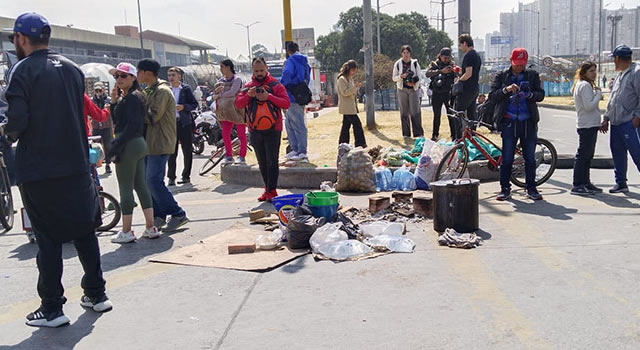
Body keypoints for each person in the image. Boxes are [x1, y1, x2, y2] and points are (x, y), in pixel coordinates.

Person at [4, 13, 112, 328]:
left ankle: (52, 308)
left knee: (48, 238)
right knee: (84, 230)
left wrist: (7, 132)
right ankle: (96, 294)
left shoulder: (22, 70)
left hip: (41, 170)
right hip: (77, 165)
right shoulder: (72, 68)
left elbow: (17, 123)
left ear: (22, 39)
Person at [107, 62, 158, 243]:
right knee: (140, 185)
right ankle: (150, 227)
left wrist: (115, 146)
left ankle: (127, 230)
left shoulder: (131, 99)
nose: (119, 79)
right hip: (137, 144)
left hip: (128, 144)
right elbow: (122, 121)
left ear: (132, 78)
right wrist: (114, 102)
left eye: (123, 76)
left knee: (126, 187)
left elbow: (128, 126)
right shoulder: (134, 97)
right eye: (116, 76)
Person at [136, 59, 189, 232]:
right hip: (147, 143)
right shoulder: (149, 90)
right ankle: (159, 215)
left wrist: (135, 107)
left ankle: (178, 213)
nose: (137, 75)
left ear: (147, 73)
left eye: (139, 72)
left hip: (159, 143)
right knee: (147, 181)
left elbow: (152, 116)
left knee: (153, 180)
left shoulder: (162, 92)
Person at [489, 48, 545, 201]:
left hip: (528, 122)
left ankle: (531, 187)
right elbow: (492, 96)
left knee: (530, 158)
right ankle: (505, 189)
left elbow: (541, 95)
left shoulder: (532, 75)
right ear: (511, 61)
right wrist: (506, 90)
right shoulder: (502, 76)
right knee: (507, 158)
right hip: (509, 121)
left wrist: (530, 95)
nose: (519, 67)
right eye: (516, 64)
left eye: (522, 64)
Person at [235, 57, 290, 202]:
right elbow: (239, 104)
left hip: (274, 129)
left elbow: (286, 103)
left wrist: (269, 97)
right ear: (252, 70)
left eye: (261, 70)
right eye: (256, 70)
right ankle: (267, 189)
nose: (259, 73)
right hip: (255, 130)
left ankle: (272, 190)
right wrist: (249, 95)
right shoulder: (248, 86)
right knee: (262, 162)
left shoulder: (275, 85)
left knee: (272, 161)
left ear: (267, 69)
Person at [601, 44, 640, 194]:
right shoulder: (621, 74)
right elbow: (613, 99)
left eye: (614, 59)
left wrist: (637, 117)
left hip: (630, 123)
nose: (613, 62)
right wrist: (606, 118)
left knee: (637, 154)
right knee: (617, 153)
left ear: (618, 58)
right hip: (616, 123)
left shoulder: (636, 72)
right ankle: (621, 183)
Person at [571, 61, 605, 195]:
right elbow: (589, 106)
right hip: (587, 125)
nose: (594, 74)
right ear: (584, 72)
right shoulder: (584, 85)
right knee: (583, 155)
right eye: (591, 71)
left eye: (595, 71)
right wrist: (598, 95)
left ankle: (586, 182)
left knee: (587, 155)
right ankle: (578, 184)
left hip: (590, 124)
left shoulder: (585, 85)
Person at [166, 67, 198, 186]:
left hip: (184, 122)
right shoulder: (166, 90)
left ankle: (186, 175)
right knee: (171, 151)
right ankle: (171, 176)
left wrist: (184, 107)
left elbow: (194, 104)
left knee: (187, 150)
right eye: (169, 75)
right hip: (171, 123)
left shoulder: (185, 89)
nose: (171, 77)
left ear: (179, 76)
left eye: (173, 75)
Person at [281, 41, 311, 162]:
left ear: (288, 51)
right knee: (289, 123)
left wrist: (282, 86)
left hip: (291, 95)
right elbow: (307, 77)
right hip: (301, 93)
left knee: (297, 124)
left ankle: (301, 151)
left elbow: (287, 74)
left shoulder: (291, 61)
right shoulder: (304, 62)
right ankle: (295, 149)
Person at [213, 59, 247, 165]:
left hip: (236, 110)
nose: (221, 69)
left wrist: (219, 95)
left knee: (241, 134)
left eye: (222, 67)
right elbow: (215, 92)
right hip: (224, 111)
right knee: (225, 134)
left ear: (228, 67)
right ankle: (229, 155)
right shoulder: (221, 80)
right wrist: (216, 94)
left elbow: (233, 92)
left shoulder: (237, 80)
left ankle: (242, 156)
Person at [392, 45, 424, 138]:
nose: (406, 55)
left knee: (415, 111)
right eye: (404, 53)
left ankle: (418, 133)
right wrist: (401, 77)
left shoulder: (415, 63)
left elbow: (419, 77)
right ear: (401, 53)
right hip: (402, 89)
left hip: (413, 90)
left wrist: (414, 83)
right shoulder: (398, 64)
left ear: (410, 54)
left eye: (407, 53)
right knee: (404, 111)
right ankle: (406, 133)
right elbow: (394, 78)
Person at [455, 34, 482, 140]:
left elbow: (468, 74)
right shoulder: (476, 55)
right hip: (474, 87)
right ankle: (473, 137)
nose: (460, 48)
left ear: (465, 43)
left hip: (467, 89)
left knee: (458, 112)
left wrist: (459, 81)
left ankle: (459, 138)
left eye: (460, 45)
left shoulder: (468, 55)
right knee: (471, 114)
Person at [426, 47, 456, 141]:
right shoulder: (434, 64)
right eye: (445, 57)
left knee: (451, 115)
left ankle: (454, 135)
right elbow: (428, 73)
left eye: (448, 57)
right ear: (440, 56)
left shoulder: (452, 65)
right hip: (436, 93)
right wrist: (440, 71)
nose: (446, 59)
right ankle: (435, 135)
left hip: (448, 92)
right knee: (437, 115)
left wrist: (454, 71)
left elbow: (458, 75)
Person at [337, 60, 366, 148]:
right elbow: (344, 92)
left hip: (350, 106)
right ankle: (360, 143)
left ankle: (343, 143)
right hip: (347, 106)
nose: (354, 73)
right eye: (353, 70)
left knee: (346, 126)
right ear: (348, 69)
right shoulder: (342, 79)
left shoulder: (349, 78)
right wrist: (355, 87)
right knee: (357, 124)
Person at [91, 82, 113, 173]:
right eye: (96, 90)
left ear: (103, 90)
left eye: (100, 90)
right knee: (95, 146)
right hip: (96, 126)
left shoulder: (108, 100)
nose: (98, 92)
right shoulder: (92, 100)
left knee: (108, 146)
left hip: (106, 126)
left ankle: (108, 164)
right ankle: (94, 166)